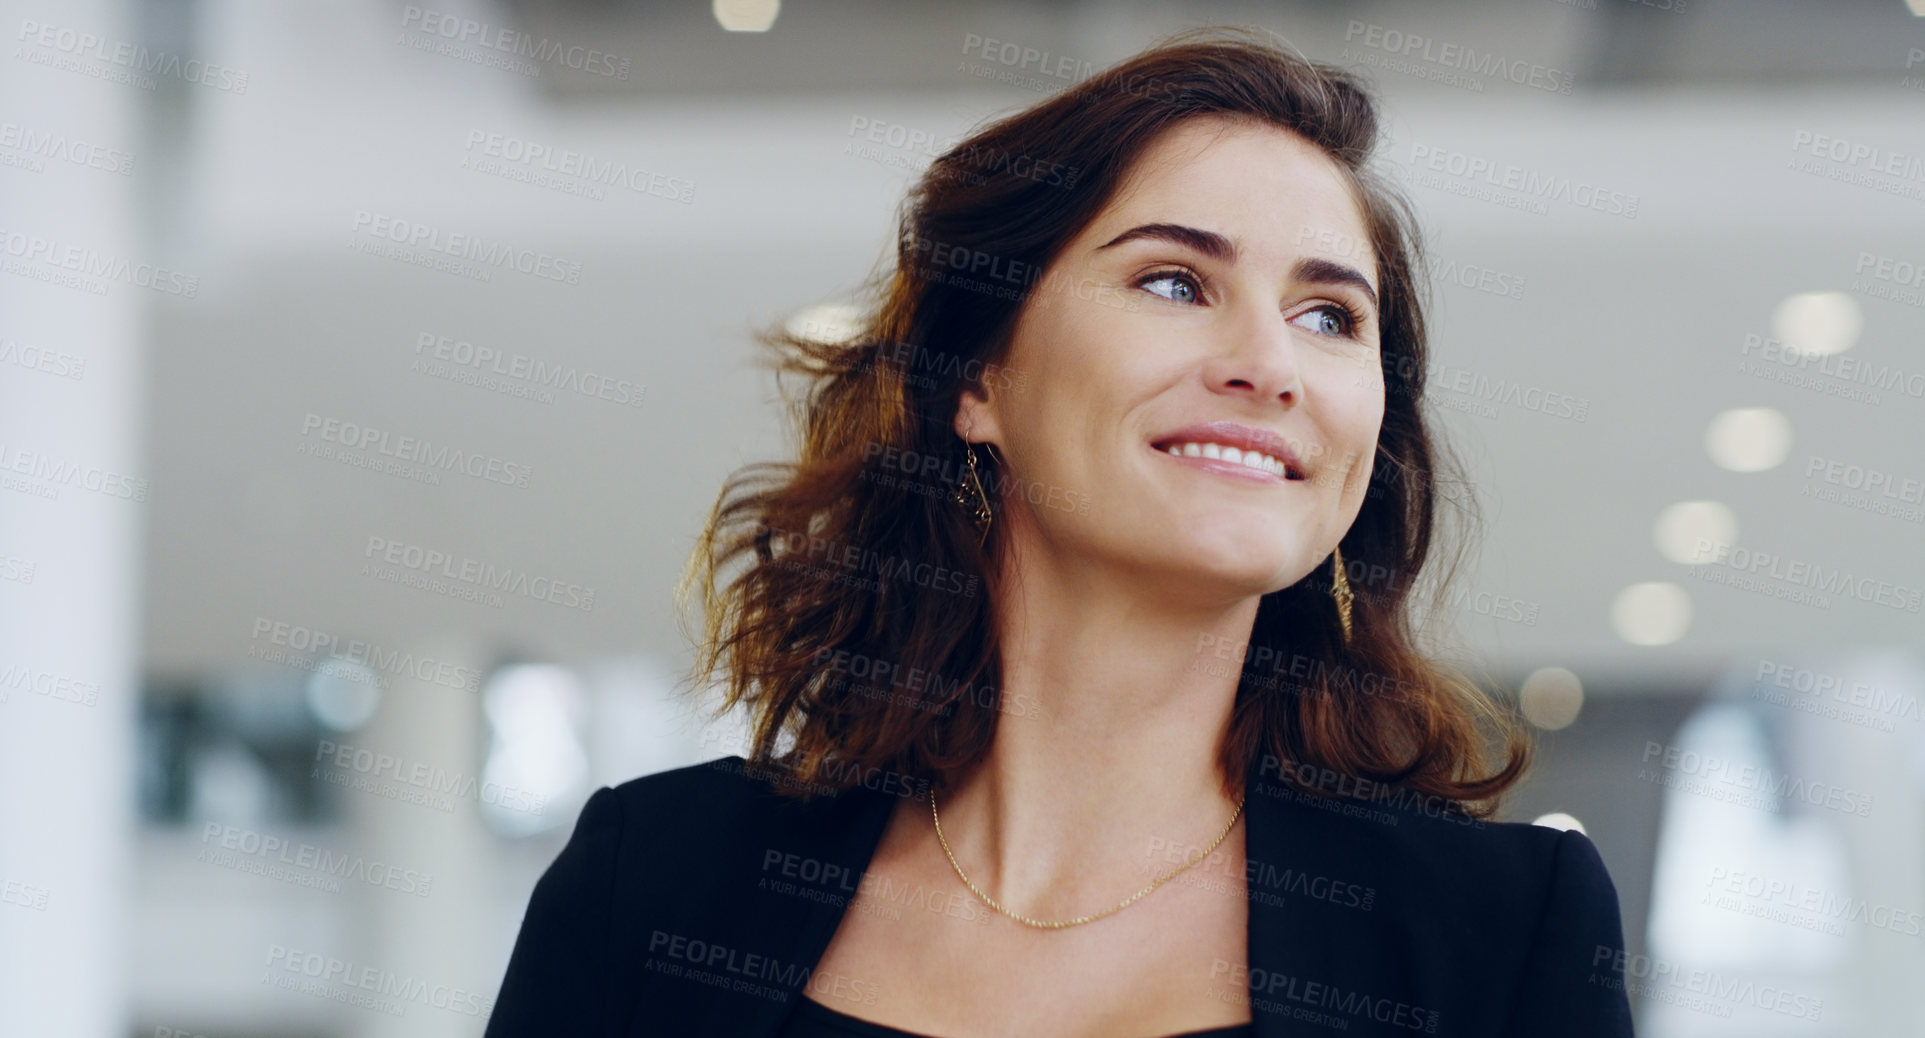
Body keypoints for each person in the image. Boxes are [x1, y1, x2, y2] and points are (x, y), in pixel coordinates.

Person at [484, 26, 1637, 1038]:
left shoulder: (1499, 932)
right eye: (1175, 283)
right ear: (977, 375)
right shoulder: (654, 887)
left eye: (1329, 315)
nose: (1269, 366)